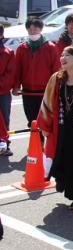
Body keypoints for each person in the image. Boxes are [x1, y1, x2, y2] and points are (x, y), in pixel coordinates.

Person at [38, 41, 73, 209]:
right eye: (61, 55)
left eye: (67, 55)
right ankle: (66, 189)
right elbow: (47, 101)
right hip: (60, 127)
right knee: (62, 159)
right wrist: (45, 126)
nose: (62, 58)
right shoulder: (57, 78)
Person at [14, 17, 61, 126]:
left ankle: (42, 141)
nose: (32, 32)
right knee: (31, 121)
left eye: (35, 29)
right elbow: (17, 69)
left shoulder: (50, 47)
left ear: (40, 29)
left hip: (44, 91)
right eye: (30, 29)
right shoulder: (22, 48)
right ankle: (36, 142)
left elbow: (56, 69)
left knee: (44, 121)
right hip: (27, 91)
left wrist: (55, 87)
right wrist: (16, 86)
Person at [0, 26, 15, 156]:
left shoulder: (8, 52)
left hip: (2, 92)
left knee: (4, 120)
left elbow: (10, 74)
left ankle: (5, 144)